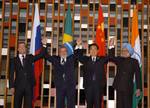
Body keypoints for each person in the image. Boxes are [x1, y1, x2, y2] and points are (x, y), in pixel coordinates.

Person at [9, 38, 46, 108]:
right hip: (18, 87)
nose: (22, 48)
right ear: (18, 49)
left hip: (29, 86)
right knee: (16, 105)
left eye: (23, 47)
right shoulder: (14, 60)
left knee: (29, 106)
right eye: (20, 47)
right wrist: (11, 86)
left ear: (26, 49)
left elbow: (41, 55)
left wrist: (44, 45)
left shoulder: (30, 57)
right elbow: (11, 74)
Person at [44, 38, 81, 108]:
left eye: (64, 51)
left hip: (70, 86)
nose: (63, 53)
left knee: (71, 105)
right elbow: (46, 55)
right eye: (61, 51)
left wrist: (78, 45)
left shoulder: (71, 59)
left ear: (67, 53)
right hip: (59, 86)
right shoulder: (55, 59)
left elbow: (77, 54)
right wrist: (44, 45)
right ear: (59, 53)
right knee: (59, 104)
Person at [76, 40, 108, 108]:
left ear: (98, 51)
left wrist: (111, 47)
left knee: (98, 105)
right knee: (89, 105)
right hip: (88, 87)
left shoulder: (101, 59)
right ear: (89, 51)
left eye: (95, 49)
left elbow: (110, 57)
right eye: (91, 49)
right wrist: (79, 46)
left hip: (98, 87)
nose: (93, 51)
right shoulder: (85, 59)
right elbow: (78, 56)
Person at [109, 42, 141, 108]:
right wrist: (111, 47)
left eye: (126, 50)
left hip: (128, 87)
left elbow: (138, 75)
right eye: (123, 50)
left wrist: (138, 88)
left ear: (130, 52)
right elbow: (111, 57)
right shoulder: (119, 59)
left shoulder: (134, 61)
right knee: (119, 106)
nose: (123, 52)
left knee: (127, 105)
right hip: (119, 86)